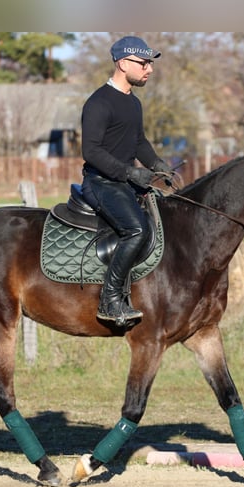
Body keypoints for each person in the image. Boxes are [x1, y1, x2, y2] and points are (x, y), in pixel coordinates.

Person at [80, 35, 173, 328]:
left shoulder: (133, 103)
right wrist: (129, 173)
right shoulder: (98, 102)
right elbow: (91, 151)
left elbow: (139, 142)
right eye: (143, 63)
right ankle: (110, 302)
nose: (150, 69)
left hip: (123, 183)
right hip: (100, 183)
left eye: (150, 63)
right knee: (136, 230)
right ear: (123, 63)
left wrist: (157, 164)